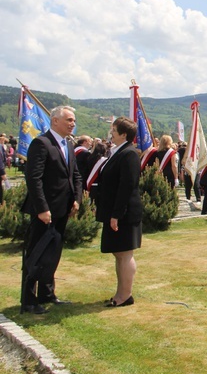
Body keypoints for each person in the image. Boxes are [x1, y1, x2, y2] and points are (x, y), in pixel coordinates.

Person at [20, 105, 82, 314]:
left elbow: (75, 176)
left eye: (73, 120)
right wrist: (42, 208)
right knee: (36, 254)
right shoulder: (42, 143)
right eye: (69, 120)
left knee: (52, 253)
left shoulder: (68, 145)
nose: (73, 124)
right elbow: (34, 178)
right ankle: (28, 300)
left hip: (63, 209)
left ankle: (47, 293)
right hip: (44, 211)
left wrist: (77, 199)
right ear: (55, 121)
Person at [96, 117, 143, 307]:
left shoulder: (129, 154)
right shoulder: (117, 152)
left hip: (124, 213)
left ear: (124, 134)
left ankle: (125, 295)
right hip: (114, 210)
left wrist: (117, 214)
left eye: (114, 130)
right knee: (118, 252)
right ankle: (120, 292)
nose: (111, 133)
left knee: (125, 253)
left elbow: (127, 186)